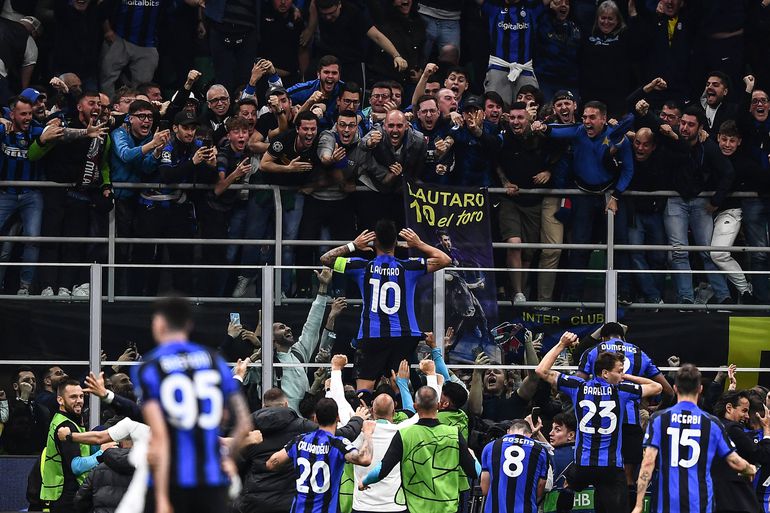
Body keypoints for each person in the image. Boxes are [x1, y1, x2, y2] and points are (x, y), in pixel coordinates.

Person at [133, 297, 252, 513]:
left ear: (159, 324)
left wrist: (161, 498)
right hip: (211, 480)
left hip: (172, 480)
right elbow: (244, 424)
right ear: (188, 325)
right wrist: (227, 458)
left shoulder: (150, 366)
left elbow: (160, 437)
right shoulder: (215, 361)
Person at [536, 332, 662, 513]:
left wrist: (561, 344)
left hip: (583, 464)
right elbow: (657, 387)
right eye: (619, 371)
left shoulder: (578, 387)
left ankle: (568, 494)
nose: (622, 375)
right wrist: (628, 378)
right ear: (605, 373)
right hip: (610, 467)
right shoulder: (621, 391)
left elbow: (541, 370)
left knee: (568, 486)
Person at [320, 220, 451, 390]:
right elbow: (445, 259)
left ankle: (364, 405)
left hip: (371, 336)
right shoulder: (409, 266)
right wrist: (418, 244)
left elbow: (326, 258)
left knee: (364, 390)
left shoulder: (362, 266)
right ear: (396, 242)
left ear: (374, 243)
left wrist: (354, 245)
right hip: (404, 336)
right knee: (400, 386)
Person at [533, 100, 634, 303]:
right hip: (583, 194)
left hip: (609, 194)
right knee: (579, 247)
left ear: (604, 119)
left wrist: (616, 196)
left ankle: (623, 294)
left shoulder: (616, 137)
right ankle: (573, 298)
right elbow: (558, 131)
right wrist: (543, 127)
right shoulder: (579, 131)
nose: (587, 121)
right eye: (585, 117)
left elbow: (628, 170)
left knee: (618, 246)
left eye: (592, 117)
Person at [630, 364, 757, 513]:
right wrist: (749, 469)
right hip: (699, 503)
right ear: (700, 389)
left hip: (666, 503)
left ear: (675, 388)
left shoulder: (659, 419)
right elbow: (734, 461)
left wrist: (638, 505)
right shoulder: (711, 423)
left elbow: (648, 462)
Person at [576, 322, 674, 500]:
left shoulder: (593, 351)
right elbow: (668, 391)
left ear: (603, 338)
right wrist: (657, 410)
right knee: (627, 479)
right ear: (623, 337)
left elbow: (578, 382)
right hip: (630, 421)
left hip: (600, 423)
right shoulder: (640, 353)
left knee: (600, 476)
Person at [235, 387, 366, 513]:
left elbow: (238, 464)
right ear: (286, 404)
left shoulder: (247, 430)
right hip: (287, 501)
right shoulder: (301, 427)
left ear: (263, 406)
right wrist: (357, 419)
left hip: (255, 501)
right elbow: (337, 435)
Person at [360, 386, 480, 513]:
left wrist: (365, 481)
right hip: (448, 509)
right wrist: (473, 456)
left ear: (415, 406)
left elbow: (383, 469)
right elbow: (475, 472)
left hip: (416, 509)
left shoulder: (404, 434)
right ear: (438, 405)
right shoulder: (454, 434)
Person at [265, 398, 375, 513]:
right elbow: (365, 459)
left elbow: (271, 464)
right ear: (337, 418)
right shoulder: (338, 444)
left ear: (315, 419)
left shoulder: (299, 440)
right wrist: (368, 433)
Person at [496, 101, 552, 303]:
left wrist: (549, 172)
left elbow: (559, 156)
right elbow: (495, 163)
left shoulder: (541, 138)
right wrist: (505, 182)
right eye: (512, 117)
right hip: (510, 200)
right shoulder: (503, 138)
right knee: (514, 244)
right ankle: (518, 292)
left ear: (529, 119)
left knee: (528, 253)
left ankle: (521, 295)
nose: (515, 122)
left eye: (520, 117)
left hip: (533, 202)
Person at [41, 377, 109, 513]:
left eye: (81, 396)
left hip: (62, 494)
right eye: (73, 397)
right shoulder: (66, 426)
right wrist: (102, 452)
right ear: (60, 400)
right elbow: (76, 466)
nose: (79, 401)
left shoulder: (62, 419)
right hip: (67, 497)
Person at [477, 0, 545, 102]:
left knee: (530, 107)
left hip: (524, 69)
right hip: (498, 67)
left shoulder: (531, 8)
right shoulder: (493, 7)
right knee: (495, 107)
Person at [480, 418, 550, 513]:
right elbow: (540, 486)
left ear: (508, 431)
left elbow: (485, 489)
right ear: (530, 434)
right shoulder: (541, 451)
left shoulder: (490, 447)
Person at [0, 366, 49, 454]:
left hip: (37, 456)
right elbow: (17, 430)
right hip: (12, 456)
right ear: (16, 386)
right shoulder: (7, 407)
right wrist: (24, 399)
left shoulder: (42, 409)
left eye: (34, 380)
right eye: (26, 380)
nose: (31, 383)